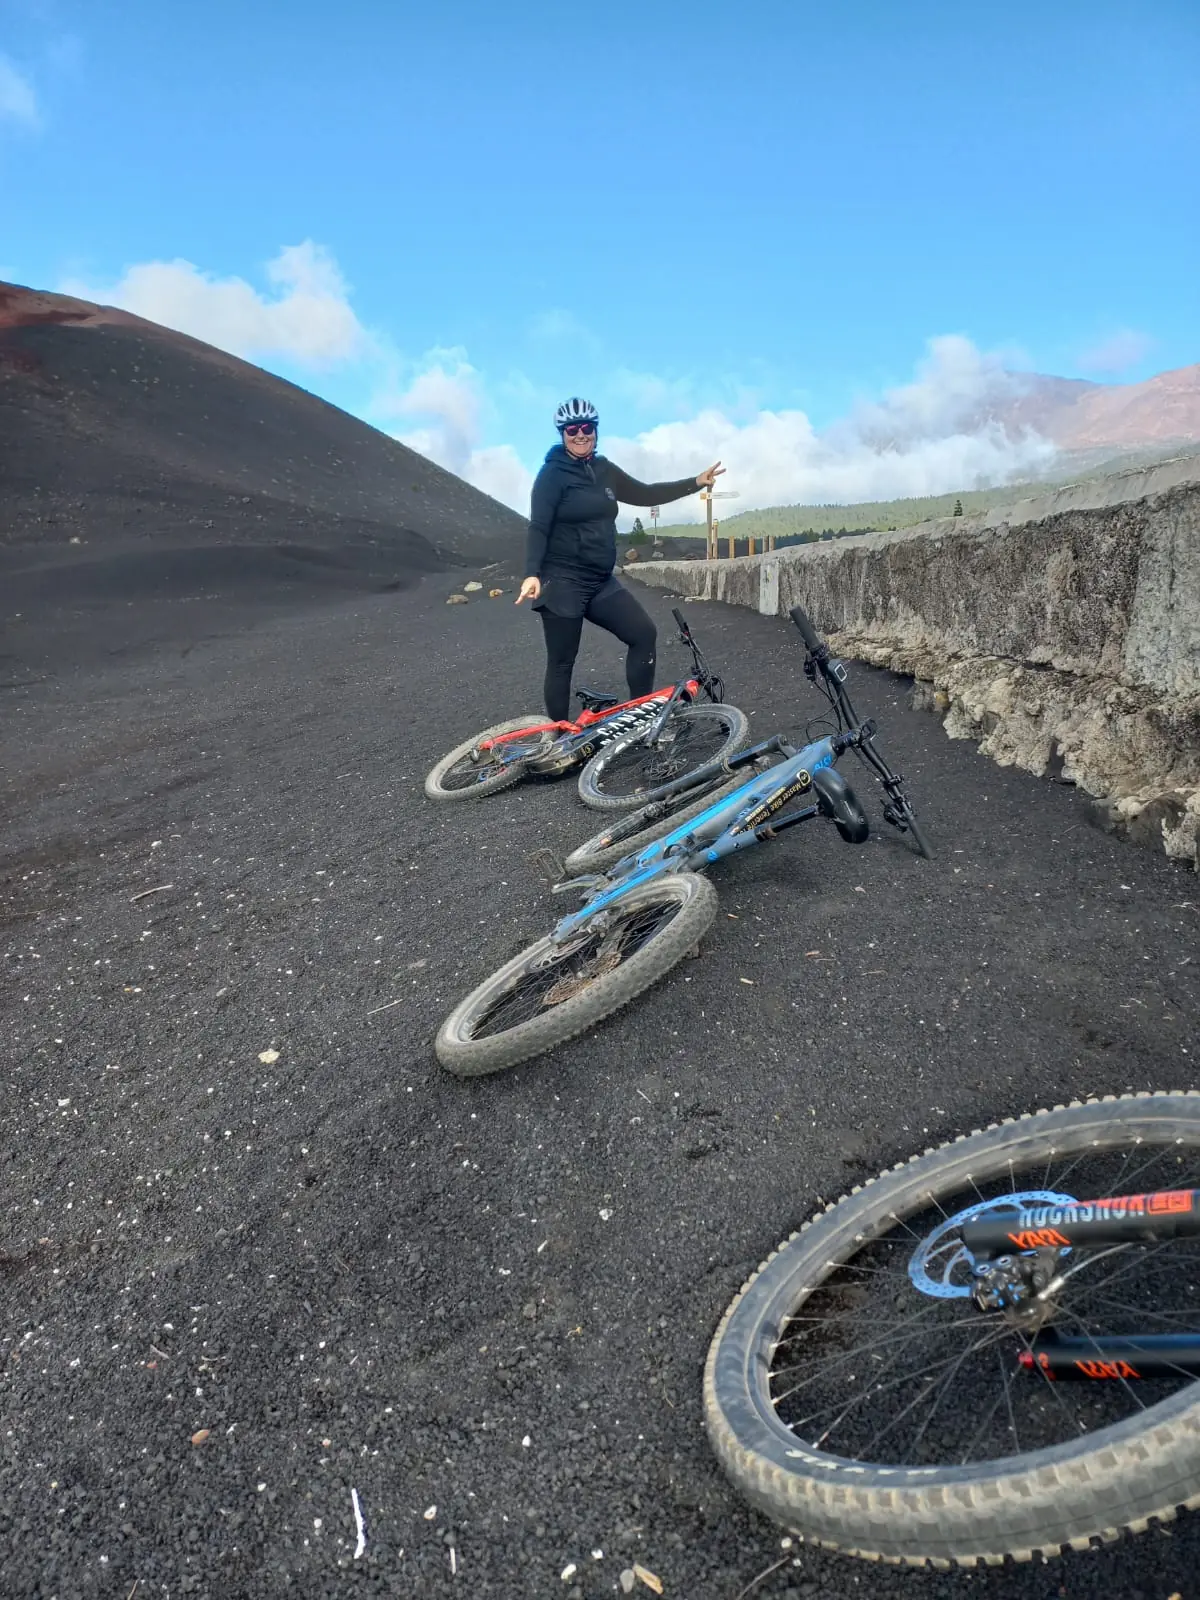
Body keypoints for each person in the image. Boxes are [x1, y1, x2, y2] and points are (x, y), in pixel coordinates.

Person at [516, 398, 724, 721]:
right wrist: (531, 573)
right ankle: (557, 737)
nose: (580, 434)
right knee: (562, 661)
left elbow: (646, 493)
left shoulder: (605, 470)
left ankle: (639, 718)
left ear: (596, 431)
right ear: (562, 433)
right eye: (573, 429)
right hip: (562, 582)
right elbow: (538, 526)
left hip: (600, 581)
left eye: (587, 428)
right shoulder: (551, 476)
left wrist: (694, 483)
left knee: (643, 633)